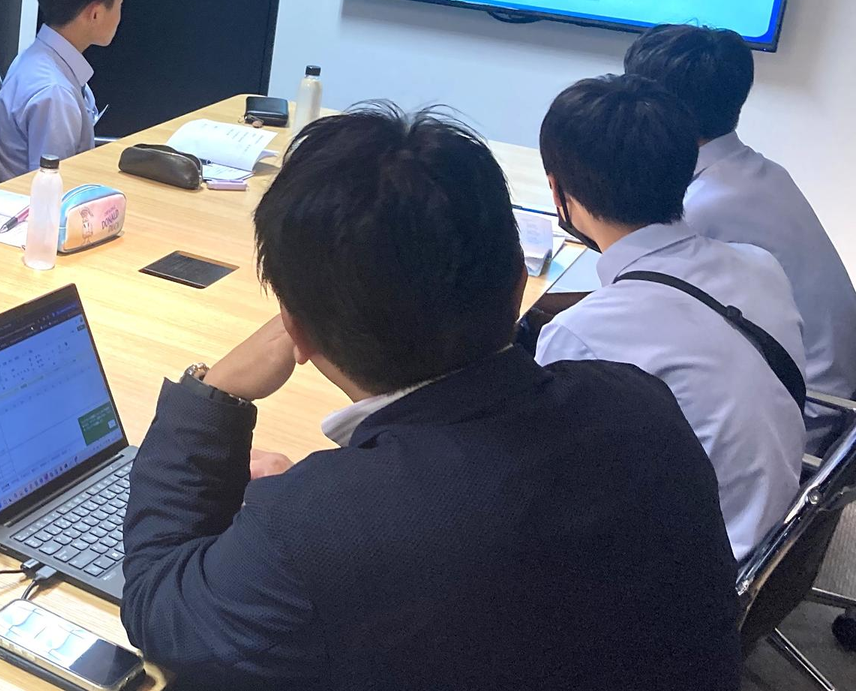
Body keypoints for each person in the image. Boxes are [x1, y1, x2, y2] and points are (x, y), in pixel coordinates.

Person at [120, 103, 742, 690]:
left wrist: (213, 396)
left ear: (296, 332)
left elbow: (158, 608)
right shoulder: (639, 403)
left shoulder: (319, 534)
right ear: (519, 282)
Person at [534, 74, 805, 561]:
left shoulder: (581, 334)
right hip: (772, 540)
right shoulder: (760, 266)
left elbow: (548, 485)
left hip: (689, 574)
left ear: (557, 190)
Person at [625, 24, 856, 417]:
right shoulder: (761, 173)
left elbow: (639, 318)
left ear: (660, 112)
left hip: (806, 413)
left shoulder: (701, 207)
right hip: (835, 391)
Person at [0, 0, 135, 181]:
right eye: (119, 5)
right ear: (96, 14)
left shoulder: (37, 56)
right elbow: (53, 188)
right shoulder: (55, 93)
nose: (121, 16)